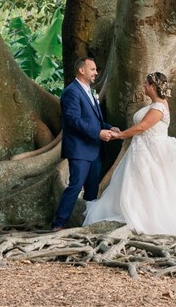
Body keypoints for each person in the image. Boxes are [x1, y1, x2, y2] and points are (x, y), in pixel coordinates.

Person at [83, 71, 176, 236]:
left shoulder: (159, 107)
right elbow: (140, 127)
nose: (144, 86)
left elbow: (141, 127)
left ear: (153, 87)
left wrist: (119, 135)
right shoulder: (154, 105)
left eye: (146, 84)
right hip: (142, 149)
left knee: (152, 184)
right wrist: (119, 131)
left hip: (152, 151)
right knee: (137, 184)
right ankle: (134, 214)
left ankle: (147, 220)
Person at [51, 56, 116, 230]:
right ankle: (58, 224)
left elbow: (94, 120)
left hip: (94, 149)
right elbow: (73, 120)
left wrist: (109, 128)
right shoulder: (71, 91)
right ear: (82, 70)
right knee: (75, 186)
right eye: (93, 69)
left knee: (92, 190)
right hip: (79, 149)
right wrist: (98, 133)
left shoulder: (88, 91)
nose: (96, 73)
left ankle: (87, 223)